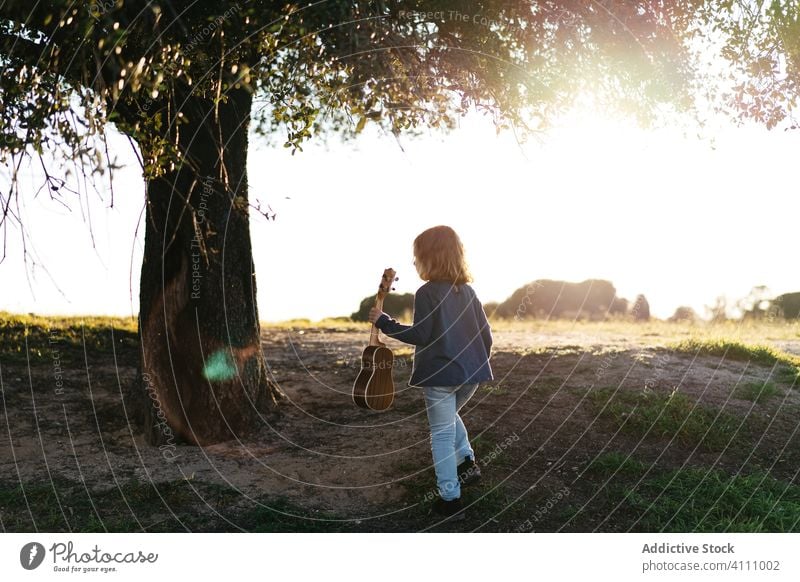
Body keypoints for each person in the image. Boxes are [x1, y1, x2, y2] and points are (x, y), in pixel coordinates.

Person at [368, 225, 493, 520]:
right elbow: (485, 334)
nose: (414, 262)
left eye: (417, 256)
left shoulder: (426, 293)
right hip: (471, 376)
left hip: (439, 377)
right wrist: (476, 364)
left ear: (430, 258)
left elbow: (422, 334)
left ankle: (449, 499)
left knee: (440, 433)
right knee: (449, 417)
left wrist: (386, 323)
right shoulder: (468, 291)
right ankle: (466, 462)